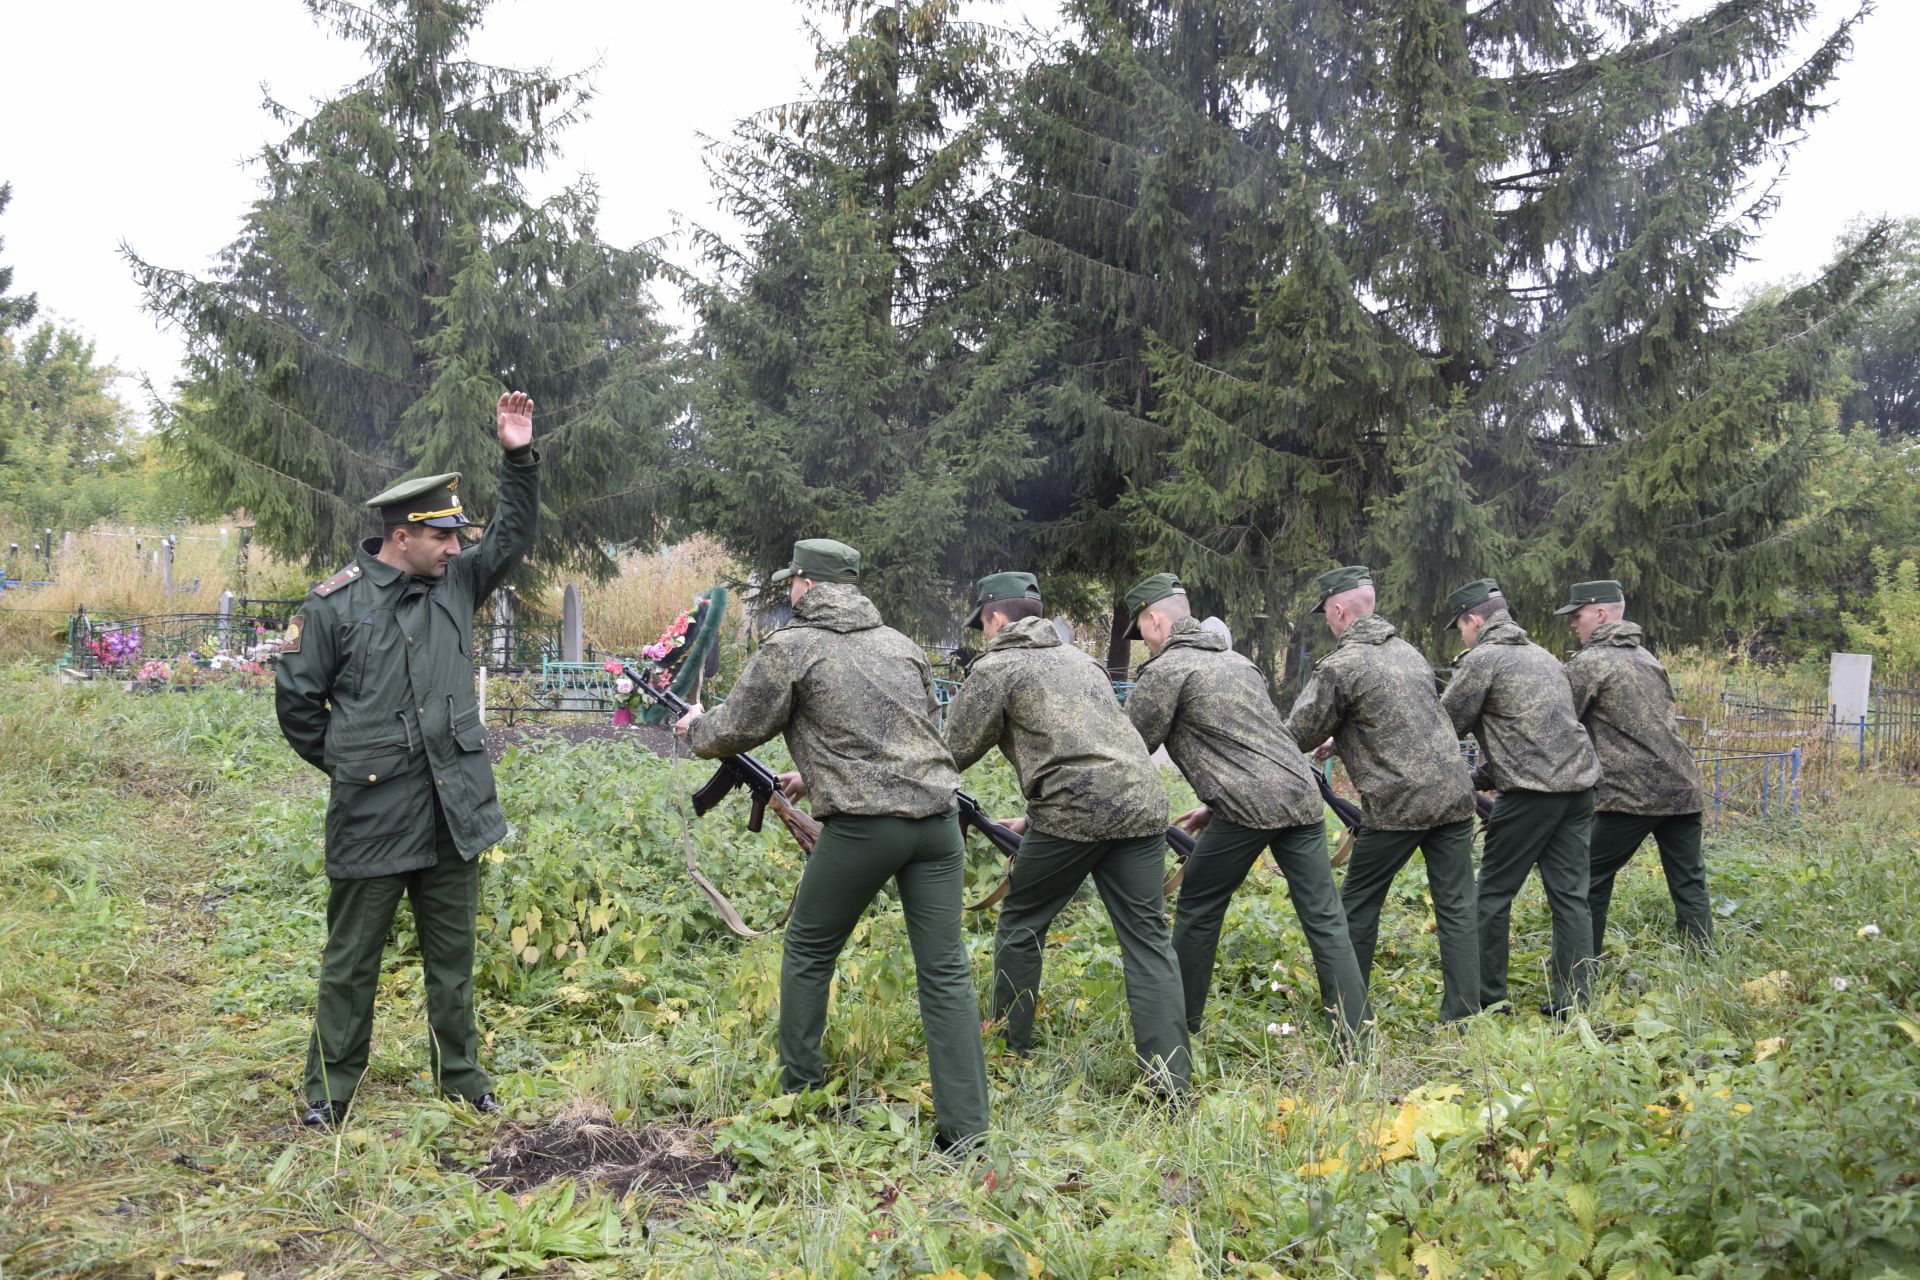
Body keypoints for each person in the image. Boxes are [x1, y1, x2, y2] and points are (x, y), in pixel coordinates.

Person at [276, 391, 541, 1128]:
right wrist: (355, 762)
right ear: (403, 536)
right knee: (351, 962)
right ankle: (328, 1094)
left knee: (452, 961)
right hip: (372, 813)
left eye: (459, 538)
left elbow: (511, 537)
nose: (458, 549)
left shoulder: (456, 582)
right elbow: (299, 706)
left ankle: (461, 1078)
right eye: (444, 537)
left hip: (454, 810)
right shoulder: (335, 607)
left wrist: (517, 457)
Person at [673, 539, 990, 1150]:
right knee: (946, 971)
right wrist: (814, 772)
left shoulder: (791, 647)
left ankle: (799, 1097)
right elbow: (913, 732)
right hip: (938, 824)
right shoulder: (901, 646)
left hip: (865, 830)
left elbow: (734, 728)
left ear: (804, 585)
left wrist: (695, 729)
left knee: (810, 950)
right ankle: (967, 1130)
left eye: (792, 582)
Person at [943, 572, 1190, 1095]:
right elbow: (1097, 748)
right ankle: (1171, 1080)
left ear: (995, 618)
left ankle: (1010, 1046)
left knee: (1022, 921)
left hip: (1073, 813)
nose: (984, 634)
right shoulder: (1083, 662)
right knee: (1147, 940)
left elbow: (952, 753)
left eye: (982, 625)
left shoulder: (998, 667)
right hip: (1142, 805)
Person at [1119, 573, 1370, 1051]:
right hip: (1300, 797)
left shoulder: (1167, 672)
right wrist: (1213, 809)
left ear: (1154, 620)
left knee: (1198, 904)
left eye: (1142, 630)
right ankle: (1357, 1037)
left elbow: (1129, 750)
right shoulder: (1239, 663)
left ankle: (1180, 1024)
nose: (1144, 642)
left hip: (1248, 810)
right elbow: (1260, 750)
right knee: (1325, 915)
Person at [1285, 566, 1481, 1024]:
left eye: (1327, 615)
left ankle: (1346, 1013)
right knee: (1456, 904)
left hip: (1398, 805)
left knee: (1355, 906)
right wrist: (1344, 736)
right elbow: (1404, 717)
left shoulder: (1341, 665)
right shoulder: (1408, 652)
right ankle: (1466, 1015)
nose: (1329, 622)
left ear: (1338, 609)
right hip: (1454, 795)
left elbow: (1297, 733)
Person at [1439, 578, 1600, 1016]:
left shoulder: (1484, 659)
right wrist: (1481, 776)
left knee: (1492, 894)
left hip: (1531, 794)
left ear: (1474, 618)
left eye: (1461, 627)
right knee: (1570, 897)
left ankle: (1488, 997)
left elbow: (1444, 724)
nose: (1463, 635)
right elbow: (1528, 731)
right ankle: (1575, 1001)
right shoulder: (1544, 657)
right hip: (1578, 789)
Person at [1557, 580, 1711, 952]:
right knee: (1688, 880)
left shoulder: (1591, 663)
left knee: (1587, 877)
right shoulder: (1648, 659)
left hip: (1632, 795)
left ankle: (1581, 967)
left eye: (1577, 616)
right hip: (1683, 787)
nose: (1573, 625)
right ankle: (1703, 960)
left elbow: (1562, 724)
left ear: (1600, 613)